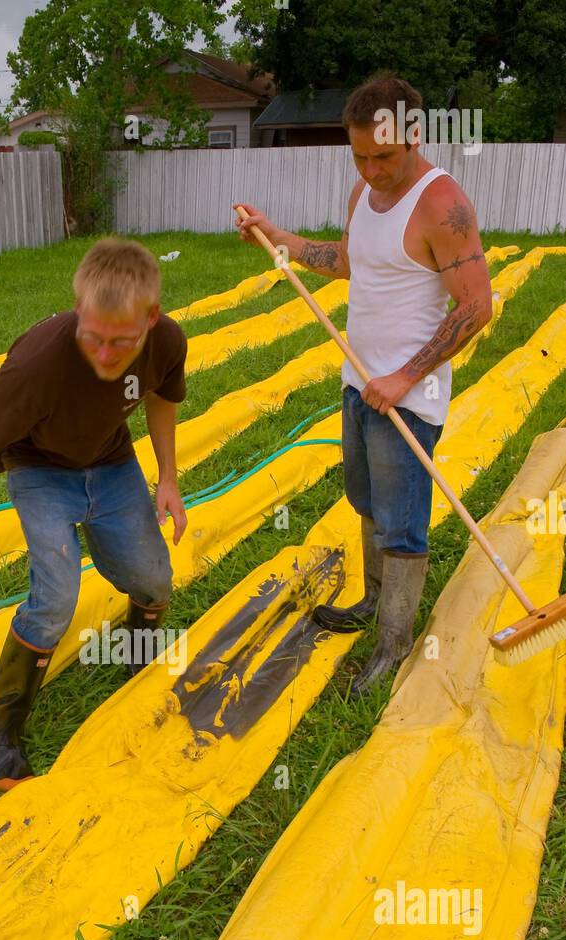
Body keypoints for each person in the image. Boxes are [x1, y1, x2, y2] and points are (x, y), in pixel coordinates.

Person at [236, 74, 492, 695]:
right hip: (359, 382)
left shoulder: (441, 204)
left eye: (384, 156)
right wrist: (282, 239)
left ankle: (394, 647)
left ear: (413, 135)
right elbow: (350, 261)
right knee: (365, 502)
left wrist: (404, 377)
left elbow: (477, 305)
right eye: (361, 157)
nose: (373, 170)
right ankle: (374, 605)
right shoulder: (363, 194)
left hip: (407, 397)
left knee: (402, 523)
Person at [0, 237, 188, 790]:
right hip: (39, 468)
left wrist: (169, 479)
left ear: (151, 318)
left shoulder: (168, 341)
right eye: (93, 337)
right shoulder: (42, 361)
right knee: (56, 597)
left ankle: (137, 662)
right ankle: (3, 732)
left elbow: (161, 396)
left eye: (121, 342)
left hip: (109, 459)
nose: (105, 355)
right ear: (79, 310)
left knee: (153, 578)